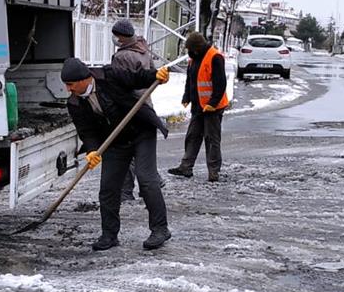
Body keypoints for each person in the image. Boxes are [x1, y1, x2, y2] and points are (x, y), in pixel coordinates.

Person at [61, 56, 171, 251]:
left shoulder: (109, 76)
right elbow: (86, 130)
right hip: (114, 142)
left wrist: (157, 75)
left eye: (70, 84)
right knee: (108, 188)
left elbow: (137, 78)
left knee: (146, 180)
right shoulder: (74, 103)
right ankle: (109, 235)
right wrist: (92, 149)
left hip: (140, 133)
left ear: (83, 79)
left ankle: (160, 229)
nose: (68, 89)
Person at [108, 18, 168, 203]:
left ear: (123, 38)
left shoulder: (122, 57)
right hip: (145, 105)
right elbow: (151, 75)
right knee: (140, 149)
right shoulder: (143, 48)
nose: (114, 39)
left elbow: (120, 83)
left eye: (116, 36)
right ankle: (153, 180)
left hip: (130, 106)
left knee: (127, 148)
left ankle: (126, 192)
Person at [167, 31, 228, 183]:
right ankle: (185, 167)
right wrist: (186, 96)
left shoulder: (215, 57)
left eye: (190, 50)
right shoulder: (193, 60)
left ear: (197, 48)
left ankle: (213, 172)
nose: (189, 53)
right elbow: (191, 81)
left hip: (213, 108)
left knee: (211, 139)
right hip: (198, 106)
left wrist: (212, 104)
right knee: (192, 136)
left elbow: (220, 85)